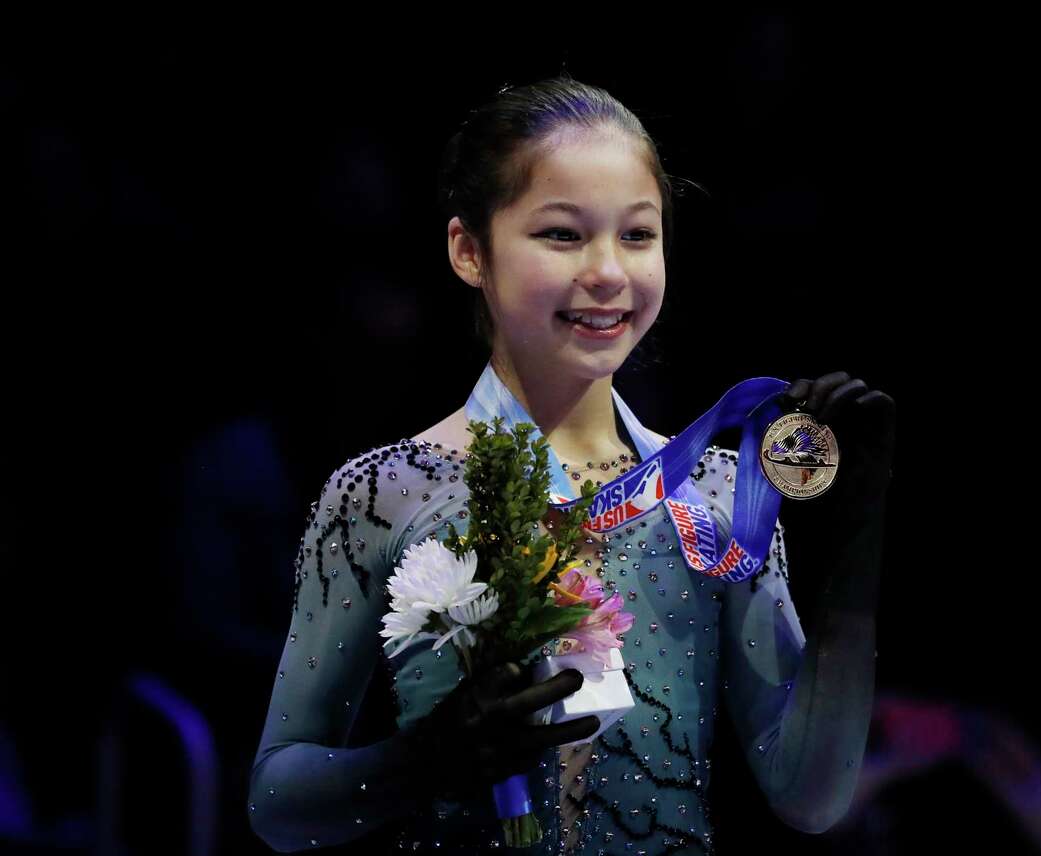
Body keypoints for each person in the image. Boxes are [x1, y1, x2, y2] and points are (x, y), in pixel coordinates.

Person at [247, 73, 895, 855]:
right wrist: (418, 761)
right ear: (468, 249)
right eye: (562, 234)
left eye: (637, 235)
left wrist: (857, 543)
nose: (608, 272)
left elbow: (812, 797)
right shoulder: (383, 493)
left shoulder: (719, 495)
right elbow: (276, 800)